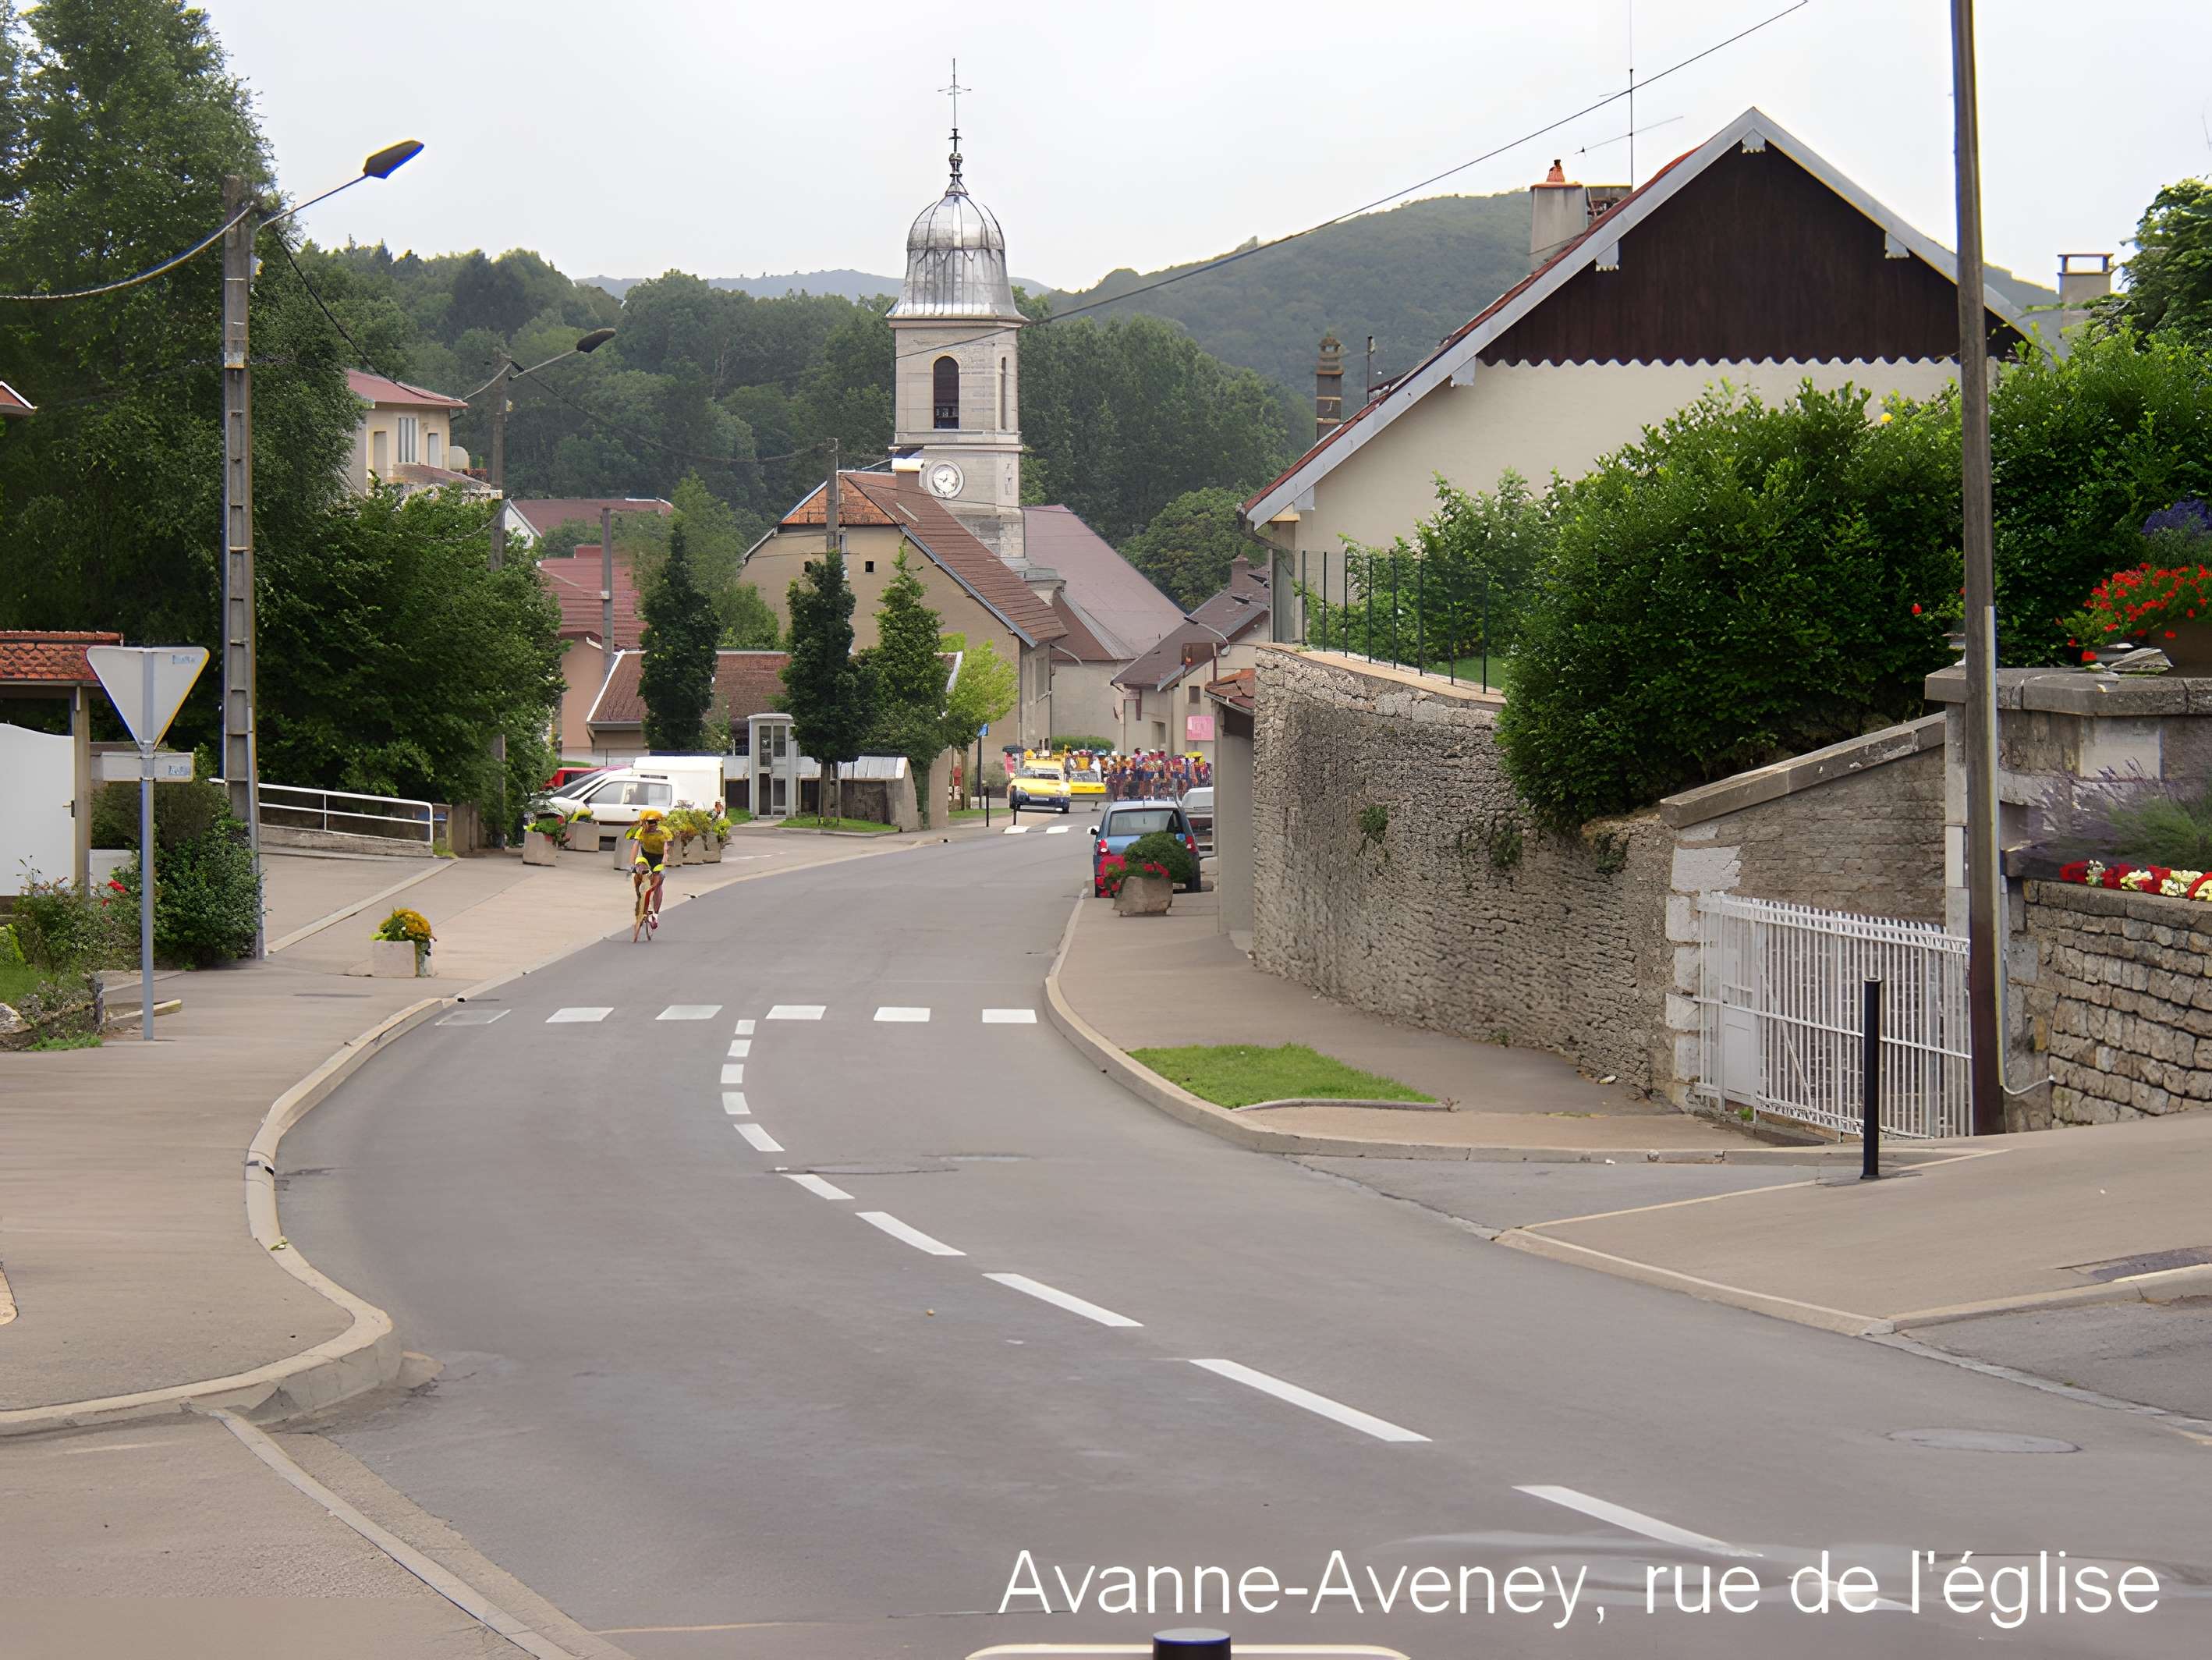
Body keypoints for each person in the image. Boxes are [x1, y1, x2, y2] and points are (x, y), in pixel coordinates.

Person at [628, 807, 671, 929]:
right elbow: (635, 846)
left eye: (654, 823)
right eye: (649, 823)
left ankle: (655, 915)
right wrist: (632, 864)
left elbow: (666, 847)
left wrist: (665, 857)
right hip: (646, 856)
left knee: (659, 882)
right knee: (639, 871)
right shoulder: (641, 831)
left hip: (659, 858)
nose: (652, 826)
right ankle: (640, 899)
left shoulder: (664, 831)